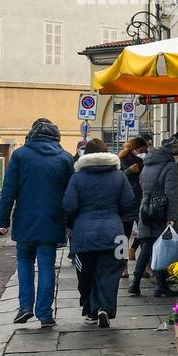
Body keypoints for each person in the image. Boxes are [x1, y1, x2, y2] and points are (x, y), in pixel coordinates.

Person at [0, 118, 74, 327]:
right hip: (52, 220)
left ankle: (25, 307)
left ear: (32, 135)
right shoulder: (66, 158)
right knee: (47, 265)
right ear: (56, 137)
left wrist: (2, 220)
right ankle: (45, 314)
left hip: (25, 220)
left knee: (24, 262)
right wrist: (71, 222)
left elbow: (9, 190)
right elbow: (71, 195)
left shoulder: (20, 155)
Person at [63, 138, 133, 328]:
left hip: (84, 233)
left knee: (85, 273)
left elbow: (69, 205)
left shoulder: (77, 177)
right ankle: (105, 308)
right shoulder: (119, 176)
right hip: (115, 233)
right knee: (112, 272)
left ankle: (91, 309)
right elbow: (129, 202)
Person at [129, 130, 178, 298]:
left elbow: (142, 185)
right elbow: (170, 193)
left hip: (146, 208)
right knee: (162, 247)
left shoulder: (148, 163)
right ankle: (161, 286)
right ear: (172, 154)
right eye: (177, 154)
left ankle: (136, 284)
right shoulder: (169, 166)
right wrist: (172, 218)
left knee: (148, 247)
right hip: (161, 211)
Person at [117, 137, 148, 267]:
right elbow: (118, 178)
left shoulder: (140, 162)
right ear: (136, 148)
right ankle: (123, 264)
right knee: (126, 234)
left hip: (134, 201)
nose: (144, 152)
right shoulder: (121, 161)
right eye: (142, 149)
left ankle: (129, 257)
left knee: (139, 233)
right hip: (130, 201)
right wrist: (130, 171)